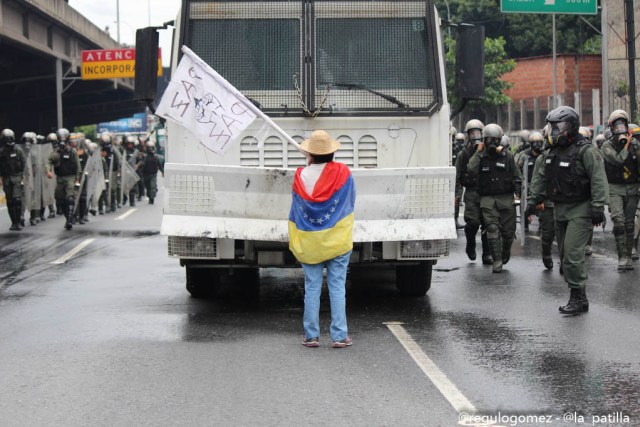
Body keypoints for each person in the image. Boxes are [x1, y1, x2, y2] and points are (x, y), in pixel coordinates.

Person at [527, 106, 608, 314]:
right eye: (552, 127)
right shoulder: (549, 154)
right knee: (564, 257)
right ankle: (578, 295)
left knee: (572, 254)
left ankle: (579, 298)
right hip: (559, 209)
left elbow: (598, 179)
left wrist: (598, 206)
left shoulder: (586, 150)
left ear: (571, 127)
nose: (554, 131)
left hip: (580, 209)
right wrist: (532, 202)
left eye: (559, 126)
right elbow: (541, 179)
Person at [288, 130, 355, 348]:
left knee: (312, 287)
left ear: (309, 154)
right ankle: (339, 336)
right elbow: (350, 202)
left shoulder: (300, 176)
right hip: (337, 240)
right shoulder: (344, 173)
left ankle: (311, 336)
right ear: (332, 152)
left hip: (310, 241)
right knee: (337, 287)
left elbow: (296, 209)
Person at [468, 123, 521, 273]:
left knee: (508, 234)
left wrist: (517, 196)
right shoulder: (481, 157)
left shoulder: (508, 156)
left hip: (506, 199)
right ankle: (496, 260)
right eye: (488, 140)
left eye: (495, 140)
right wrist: (478, 152)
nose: (492, 143)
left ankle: (504, 253)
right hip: (488, 199)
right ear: (484, 140)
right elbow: (470, 169)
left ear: (500, 140)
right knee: (491, 228)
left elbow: (517, 177)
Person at [600, 109, 640, 271]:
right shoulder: (606, 146)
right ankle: (622, 256)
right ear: (611, 128)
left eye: (622, 126)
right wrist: (627, 145)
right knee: (619, 220)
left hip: (632, 187)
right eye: (616, 127)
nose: (620, 130)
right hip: (615, 188)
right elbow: (618, 160)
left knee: (630, 223)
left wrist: (636, 146)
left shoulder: (635, 144)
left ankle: (629, 255)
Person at [455, 119, 492, 265]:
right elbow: (457, 176)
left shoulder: (488, 151)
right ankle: (470, 244)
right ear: (468, 135)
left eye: (478, 132)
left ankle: (487, 252)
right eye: (472, 133)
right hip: (471, 192)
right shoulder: (463, 154)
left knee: (487, 223)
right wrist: (456, 195)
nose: (475, 136)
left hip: (486, 191)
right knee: (472, 223)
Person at [518, 131, 556, 268]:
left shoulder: (574, 153)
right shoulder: (540, 157)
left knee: (567, 236)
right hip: (544, 196)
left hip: (565, 199)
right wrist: (533, 200)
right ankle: (546, 254)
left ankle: (566, 262)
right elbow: (536, 179)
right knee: (547, 233)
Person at [47, 128, 81, 230]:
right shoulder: (56, 152)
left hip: (70, 177)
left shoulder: (73, 151)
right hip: (60, 178)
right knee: (60, 200)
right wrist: (48, 171)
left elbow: (78, 166)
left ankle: (70, 220)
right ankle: (68, 218)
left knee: (70, 198)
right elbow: (48, 161)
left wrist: (78, 178)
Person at [0, 129, 26, 230]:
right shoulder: (1, 152)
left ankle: (18, 222)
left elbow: (23, 162)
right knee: (10, 201)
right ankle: (13, 222)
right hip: (6, 178)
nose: (8, 140)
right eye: (6, 138)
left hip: (16, 176)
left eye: (10, 138)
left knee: (17, 200)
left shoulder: (18, 150)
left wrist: (21, 175)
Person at [452, 132, 466, 230]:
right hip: (452, 175)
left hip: (457, 175)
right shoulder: (451, 148)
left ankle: (455, 220)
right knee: (455, 199)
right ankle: (454, 220)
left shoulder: (461, 151)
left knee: (457, 198)